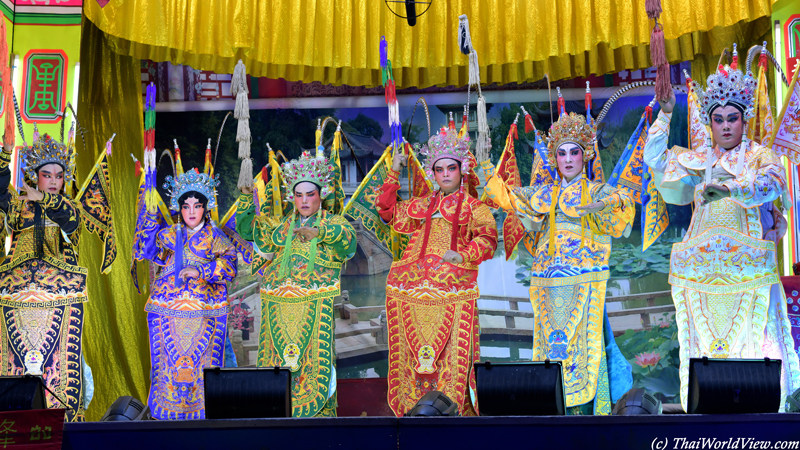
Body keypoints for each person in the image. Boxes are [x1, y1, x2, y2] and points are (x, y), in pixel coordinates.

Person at [643, 63, 800, 411]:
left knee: (758, 349)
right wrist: (666, 115)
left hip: (749, 275)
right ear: (710, 122)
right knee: (705, 353)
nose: (726, 125)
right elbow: (653, 158)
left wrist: (729, 189)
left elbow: (772, 184)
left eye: (733, 118)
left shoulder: (760, 156)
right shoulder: (698, 160)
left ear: (743, 120)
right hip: (702, 277)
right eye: (719, 119)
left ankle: (763, 421)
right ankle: (706, 418)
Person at [483, 112, 635, 415]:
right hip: (548, 286)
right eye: (561, 153)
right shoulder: (544, 194)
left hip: (586, 281)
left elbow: (624, 199)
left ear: (585, 155)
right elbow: (507, 197)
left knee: (587, 342)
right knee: (552, 343)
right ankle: (552, 408)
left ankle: (593, 409)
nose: (568, 159)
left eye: (574, 152)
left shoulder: (595, 190)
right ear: (554, 158)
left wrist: (601, 204)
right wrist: (484, 164)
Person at [377, 128, 498, 416]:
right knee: (413, 358)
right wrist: (394, 172)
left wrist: (464, 254)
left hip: (453, 293)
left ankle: (452, 413)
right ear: (433, 173)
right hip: (411, 292)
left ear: (461, 170)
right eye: (439, 169)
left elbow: (488, 239)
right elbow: (387, 212)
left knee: (455, 359)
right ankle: (413, 412)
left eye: (451, 168)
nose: (445, 174)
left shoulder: (474, 207)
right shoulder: (422, 205)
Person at [0, 128, 109, 422]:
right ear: (36, 175)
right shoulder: (18, 205)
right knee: (16, 364)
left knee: (58, 364)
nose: (52, 180)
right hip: (14, 296)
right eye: (46, 174)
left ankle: (62, 425)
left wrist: (44, 200)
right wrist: (5, 156)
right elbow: (0, 194)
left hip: (58, 299)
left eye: (58, 176)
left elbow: (69, 221)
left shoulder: (69, 208)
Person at [237, 151, 356, 417]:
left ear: (320, 195)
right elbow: (249, 230)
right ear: (292, 197)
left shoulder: (333, 223)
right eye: (298, 195)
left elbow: (348, 243)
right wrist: (246, 198)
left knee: (316, 365)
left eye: (310, 194)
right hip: (277, 310)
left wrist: (320, 232)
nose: (304, 200)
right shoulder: (281, 226)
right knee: (278, 365)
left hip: (313, 311)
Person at [134, 168, 237, 420]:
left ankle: (208, 414)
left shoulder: (216, 237)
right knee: (166, 362)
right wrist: (148, 210)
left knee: (206, 362)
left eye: (197, 205)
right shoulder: (168, 235)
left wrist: (201, 269)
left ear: (205, 208)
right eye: (186, 206)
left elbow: (231, 265)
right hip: (167, 310)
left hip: (205, 310)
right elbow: (150, 251)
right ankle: (166, 413)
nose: (191, 212)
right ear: (179, 208)